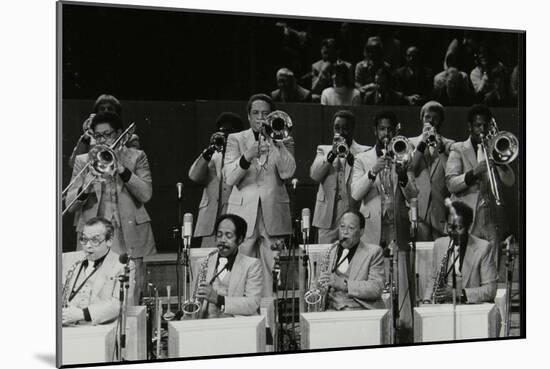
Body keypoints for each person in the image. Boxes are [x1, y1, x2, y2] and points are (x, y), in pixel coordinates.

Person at [65, 111, 155, 305]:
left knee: (131, 296)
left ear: (119, 134)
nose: (103, 140)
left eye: (108, 134)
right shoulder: (83, 160)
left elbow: (146, 193)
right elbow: (69, 204)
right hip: (94, 235)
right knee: (92, 295)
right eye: (98, 136)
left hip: (128, 234)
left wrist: (122, 169)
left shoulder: (137, 157)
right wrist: (85, 187)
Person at [351, 110, 417, 343]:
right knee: (371, 280)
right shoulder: (363, 158)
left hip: (396, 226)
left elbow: (413, 194)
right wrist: (374, 170)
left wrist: (403, 175)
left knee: (400, 282)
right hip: (371, 229)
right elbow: (355, 192)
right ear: (375, 131)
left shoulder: (404, 154)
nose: (386, 134)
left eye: (390, 129)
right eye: (382, 129)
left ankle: (404, 330)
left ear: (395, 131)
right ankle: (372, 330)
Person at [223, 94, 296, 297]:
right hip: (243, 214)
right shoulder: (236, 140)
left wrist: (276, 142)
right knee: (240, 271)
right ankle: (242, 320)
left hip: (273, 214)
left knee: (273, 274)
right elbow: (229, 177)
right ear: (248, 117)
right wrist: (248, 155)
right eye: (256, 113)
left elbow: (288, 172)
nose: (260, 118)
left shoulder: (284, 138)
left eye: (265, 113)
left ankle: (269, 326)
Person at [445, 104, 515, 265]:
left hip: (491, 221)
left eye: (486, 125)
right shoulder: (458, 149)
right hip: (466, 220)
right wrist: (473, 173)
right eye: (478, 125)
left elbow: (510, 181)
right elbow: (451, 183)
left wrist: (500, 161)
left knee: (492, 271)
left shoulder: (494, 149)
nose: (482, 129)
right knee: (466, 269)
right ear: (470, 127)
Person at [310, 110, 370, 243]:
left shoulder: (364, 151)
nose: (341, 132)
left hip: (353, 212)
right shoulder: (323, 150)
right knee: (325, 258)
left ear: (353, 129)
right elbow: (315, 175)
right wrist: (332, 154)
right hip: (327, 217)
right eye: (337, 128)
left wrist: (350, 158)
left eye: (345, 128)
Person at [62, 217, 134, 325]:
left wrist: (82, 314)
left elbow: (119, 304)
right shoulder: (65, 259)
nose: (88, 246)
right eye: (84, 239)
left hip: (97, 329)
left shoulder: (123, 265)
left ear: (109, 241)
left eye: (95, 240)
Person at [422, 201, 497, 304]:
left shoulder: (483, 248)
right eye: (450, 226)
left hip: (471, 309)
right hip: (443, 308)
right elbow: (433, 279)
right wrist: (427, 301)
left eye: (459, 228)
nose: (453, 232)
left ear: (468, 227)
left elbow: (490, 290)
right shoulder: (439, 244)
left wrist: (459, 294)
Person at [188, 112, 244, 248]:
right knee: (208, 262)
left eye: (230, 133)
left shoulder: (244, 155)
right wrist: (209, 150)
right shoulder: (213, 155)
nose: (226, 136)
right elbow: (194, 176)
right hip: (212, 220)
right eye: (222, 133)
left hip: (236, 215)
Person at [195, 214, 263, 318]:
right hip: (207, 324)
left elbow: (252, 304)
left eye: (229, 236)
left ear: (240, 240)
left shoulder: (252, 265)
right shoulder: (203, 263)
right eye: (219, 235)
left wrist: (218, 299)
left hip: (236, 325)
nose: (222, 240)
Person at [318, 211, 386, 311]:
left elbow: (376, 288)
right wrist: (318, 284)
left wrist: (344, 284)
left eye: (351, 228)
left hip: (359, 309)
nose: (345, 232)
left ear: (361, 231)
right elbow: (317, 284)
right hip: (331, 308)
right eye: (342, 226)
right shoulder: (329, 252)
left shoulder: (374, 252)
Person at [408, 101, 455, 240]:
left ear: (441, 121)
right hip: (418, 213)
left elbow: (451, 174)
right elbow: (410, 169)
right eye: (427, 117)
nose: (431, 121)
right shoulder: (411, 143)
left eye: (436, 117)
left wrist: (441, 150)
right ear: (421, 118)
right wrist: (422, 143)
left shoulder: (450, 145)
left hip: (441, 212)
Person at [68, 94, 139, 168]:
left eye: (110, 109)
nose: (106, 112)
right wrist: (87, 137)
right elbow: (73, 164)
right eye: (102, 109)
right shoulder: (88, 138)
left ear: (117, 114)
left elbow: (133, 165)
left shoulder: (130, 138)